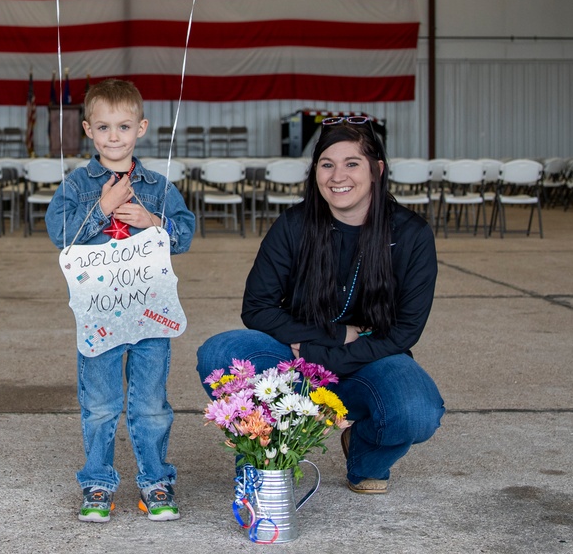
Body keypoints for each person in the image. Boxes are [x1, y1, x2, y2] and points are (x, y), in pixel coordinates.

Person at [196, 117, 444, 494]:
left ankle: (365, 457)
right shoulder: (294, 225)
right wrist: (331, 336)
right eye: (326, 164)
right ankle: (264, 460)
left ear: (377, 170)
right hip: (294, 351)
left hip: (371, 357)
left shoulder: (410, 234)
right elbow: (257, 307)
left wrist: (323, 357)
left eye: (352, 163)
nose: (336, 175)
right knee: (221, 353)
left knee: (415, 410)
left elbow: (405, 331)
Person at [46, 78, 196, 523]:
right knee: (101, 403)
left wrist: (153, 220)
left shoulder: (157, 185)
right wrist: (103, 208)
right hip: (99, 315)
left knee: (150, 403)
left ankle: (155, 480)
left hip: (150, 312)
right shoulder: (77, 184)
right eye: (105, 127)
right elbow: (61, 235)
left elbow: (184, 235)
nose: (115, 137)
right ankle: (98, 481)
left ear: (141, 128)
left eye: (124, 126)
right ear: (88, 130)